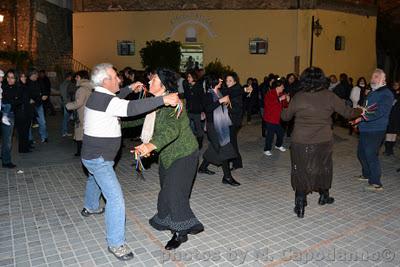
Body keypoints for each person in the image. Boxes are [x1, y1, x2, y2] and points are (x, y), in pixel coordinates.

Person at [80, 63, 180, 260]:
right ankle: (116, 243)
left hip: (94, 157)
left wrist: (128, 89)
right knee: (115, 198)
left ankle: (90, 206)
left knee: (95, 178)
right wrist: (162, 99)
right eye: (116, 77)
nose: (120, 79)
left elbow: (115, 99)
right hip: (99, 158)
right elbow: (131, 108)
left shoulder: (99, 95)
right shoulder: (104, 100)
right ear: (106, 81)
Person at [135, 68, 204, 250]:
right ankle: (167, 219)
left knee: (175, 193)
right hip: (166, 154)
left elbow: (172, 130)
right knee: (166, 192)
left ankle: (181, 232)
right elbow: (136, 117)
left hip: (185, 153)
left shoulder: (174, 103)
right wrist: (115, 118)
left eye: (154, 79)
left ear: (163, 85)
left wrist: (150, 145)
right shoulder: (152, 102)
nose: (149, 82)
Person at [281, 67, 362, 218]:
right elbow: (348, 113)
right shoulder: (329, 96)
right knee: (323, 167)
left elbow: (285, 117)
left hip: (300, 141)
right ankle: (324, 196)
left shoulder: (298, 96)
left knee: (300, 169)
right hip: (322, 140)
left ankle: (300, 203)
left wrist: (284, 105)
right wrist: (360, 111)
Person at [353, 69, 394, 192]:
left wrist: (363, 117)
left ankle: (376, 183)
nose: (373, 78)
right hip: (366, 128)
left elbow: (381, 112)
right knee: (361, 153)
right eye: (372, 76)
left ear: (383, 80)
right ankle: (366, 174)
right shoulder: (372, 92)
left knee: (371, 155)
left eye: (376, 77)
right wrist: (360, 116)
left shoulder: (386, 93)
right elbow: (366, 108)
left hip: (376, 129)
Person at [198, 75, 241, 186]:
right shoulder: (207, 94)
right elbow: (208, 109)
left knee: (215, 147)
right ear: (213, 82)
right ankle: (227, 177)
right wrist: (220, 101)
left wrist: (245, 89)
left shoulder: (220, 91)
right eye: (219, 80)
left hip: (221, 124)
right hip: (213, 126)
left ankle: (202, 168)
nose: (222, 81)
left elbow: (235, 90)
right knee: (223, 150)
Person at [66, 70, 93, 157]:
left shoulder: (81, 89)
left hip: (82, 113)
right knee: (85, 132)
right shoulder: (90, 87)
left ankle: (80, 152)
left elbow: (79, 102)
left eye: (77, 77)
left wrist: (68, 105)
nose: (75, 79)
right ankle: (82, 151)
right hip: (88, 112)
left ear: (81, 78)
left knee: (80, 133)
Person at [263, 78, 289, 156]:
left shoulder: (281, 94)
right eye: (282, 86)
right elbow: (269, 104)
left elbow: (285, 105)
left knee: (281, 133)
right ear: (277, 87)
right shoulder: (270, 93)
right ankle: (266, 149)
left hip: (279, 118)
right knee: (270, 135)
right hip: (270, 118)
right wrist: (280, 99)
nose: (283, 88)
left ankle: (278, 145)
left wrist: (287, 100)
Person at [224, 72, 243, 170]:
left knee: (232, 142)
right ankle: (237, 162)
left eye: (230, 81)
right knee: (232, 142)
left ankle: (237, 162)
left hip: (234, 121)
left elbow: (238, 109)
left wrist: (227, 108)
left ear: (235, 81)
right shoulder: (230, 90)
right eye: (226, 80)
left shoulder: (235, 92)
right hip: (231, 120)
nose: (228, 82)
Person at [1, 70, 19, 168]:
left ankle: (6, 161)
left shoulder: (17, 88)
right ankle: (3, 156)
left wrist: (9, 102)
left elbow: (17, 102)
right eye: (8, 77)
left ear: (16, 79)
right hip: (2, 114)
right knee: (4, 138)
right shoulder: (2, 86)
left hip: (10, 115)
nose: (10, 79)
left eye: (12, 77)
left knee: (7, 139)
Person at [183, 70, 205, 149]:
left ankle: (200, 144)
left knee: (198, 128)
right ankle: (189, 142)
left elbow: (202, 99)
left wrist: (203, 111)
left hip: (197, 111)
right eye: (187, 77)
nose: (187, 78)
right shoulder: (187, 86)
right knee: (186, 127)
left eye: (189, 77)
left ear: (193, 77)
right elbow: (186, 96)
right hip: (189, 110)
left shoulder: (199, 87)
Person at [15, 71, 34, 153]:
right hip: (22, 112)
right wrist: (29, 101)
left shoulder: (23, 86)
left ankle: (24, 147)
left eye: (25, 76)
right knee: (23, 131)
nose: (25, 78)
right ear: (19, 78)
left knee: (24, 131)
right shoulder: (19, 87)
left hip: (24, 111)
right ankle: (23, 149)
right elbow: (20, 99)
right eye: (22, 77)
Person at [28, 69, 49, 143]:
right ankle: (29, 139)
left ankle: (44, 136)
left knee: (42, 122)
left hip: (39, 105)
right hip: (30, 106)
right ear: (32, 74)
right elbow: (29, 95)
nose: (37, 76)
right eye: (36, 75)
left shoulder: (39, 81)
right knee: (29, 123)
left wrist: (45, 95)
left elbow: (44, 90)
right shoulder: (27, 83)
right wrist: (39, 96)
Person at [384, 81, 400, 156]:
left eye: (397, 85)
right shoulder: (390, 93)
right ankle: (387, 148)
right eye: (395, 85)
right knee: (389, 131)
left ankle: (391, 148)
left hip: (397, 116)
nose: (396, 86)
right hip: (390, 115)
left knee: (394, 133)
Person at [60, 72, 75, 137]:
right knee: (67, 118)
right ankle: (64, 131)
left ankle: (64, 132)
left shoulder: (62, 84)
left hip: (64, 102)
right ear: (69, 77)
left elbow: (62, 94)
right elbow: (71, 94)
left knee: (65, 118)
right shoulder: (70, 84)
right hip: (69, 103)